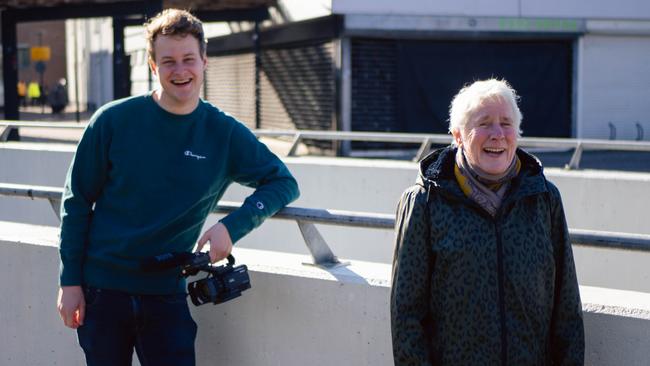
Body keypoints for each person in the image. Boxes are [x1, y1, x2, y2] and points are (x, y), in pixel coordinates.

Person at [56, 9, 299, 366]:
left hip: (166, 294)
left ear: (204, 61)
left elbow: (282, 182)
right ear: (153, 66)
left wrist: (232, 227)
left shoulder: (223, 132)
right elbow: (76, 203)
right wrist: (69, 282)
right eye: (168, 61)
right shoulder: (112, 121)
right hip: (101, 292)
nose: (180, 70)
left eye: (188, 59)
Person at [390, 79, 584, 365]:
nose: (497, 134)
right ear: (458, 135)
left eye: (506, 123)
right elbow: (406, 315)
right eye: (484, 123)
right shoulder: (425, 202)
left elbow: (566, 306)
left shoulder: (544, 198)